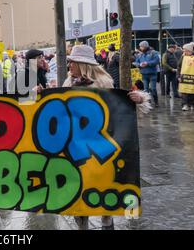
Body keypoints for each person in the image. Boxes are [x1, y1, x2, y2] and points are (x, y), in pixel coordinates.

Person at [63, 45, 150, 230]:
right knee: (79, 185)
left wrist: (138, 99)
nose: (69, 64)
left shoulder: (104, 82)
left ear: (82, 64)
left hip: (101, 143)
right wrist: (37, 94)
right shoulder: (67, 82)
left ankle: (106, 220)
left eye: (72, 61)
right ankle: (81, 223)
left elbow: (118, 107)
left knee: (104, 181)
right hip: (76, 144)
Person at [134, 41, 160, 107]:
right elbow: (135, 62)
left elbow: (156, 61)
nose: (140, 48)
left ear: (145, 46)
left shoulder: (153, 53)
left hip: (152, 73)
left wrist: (147, 63)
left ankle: (156, 101)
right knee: (146, 89)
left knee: (153, 89)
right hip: (144, 74)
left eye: (141, 46)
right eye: (140, 46)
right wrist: (139, 64)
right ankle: (148, 102)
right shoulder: (139, 54)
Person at [178, 44, 194, 111]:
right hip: (184, 76)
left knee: (193, 91)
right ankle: (185, 104)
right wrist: (178, 76)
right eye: (184, 50)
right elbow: (179, 66)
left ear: (190, 51)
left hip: (192, 77)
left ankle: (193, 104)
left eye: (186, 50)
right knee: (184, 91)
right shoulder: (182, 57)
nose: (184, 51)